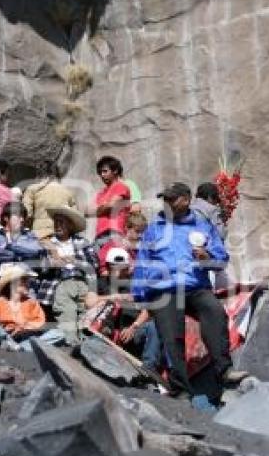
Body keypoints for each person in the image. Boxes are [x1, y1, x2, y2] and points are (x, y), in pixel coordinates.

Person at [131, 182, 244, 410]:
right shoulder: (154, 228)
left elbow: (221, 259)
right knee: (171, 335)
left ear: (186, 200)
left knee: (215, 312)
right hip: (165, 288)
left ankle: (224, 370)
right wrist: (141, 294)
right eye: (166, 199)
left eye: (173, 199)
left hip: (195, 285)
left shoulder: (202, 226)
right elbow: (143, 261)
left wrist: (206, 256)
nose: (168, 203)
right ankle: (181, 389)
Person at [84, 246, 162, 372]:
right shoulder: (101, 282)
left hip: (132, 331)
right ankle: (101, 338)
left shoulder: (135, 284)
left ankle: (149, 369)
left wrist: (134, 326)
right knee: (106, 304)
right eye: (115, 268)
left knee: (154, 326)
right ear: (109, 267)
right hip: (107, 329)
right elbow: (89, 301)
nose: (119, 272)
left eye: (122, 269)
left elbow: (147, 310)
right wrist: (115, 297)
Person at [34, 205, 97, 344]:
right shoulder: (48, 244)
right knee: (67, 312)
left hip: (82, 282)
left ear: (70, 224)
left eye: (61, 222)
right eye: (56, 222)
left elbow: (93, 266)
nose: (57, 225)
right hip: (60, 282)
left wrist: (76, 262)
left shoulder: (82, 243)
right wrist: (52, 263)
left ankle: (84, 345)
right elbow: (40, 267)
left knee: (84, 315)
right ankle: (71, 343)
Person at [0, 265, 64, 351]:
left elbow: (40, 323)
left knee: (58, 334)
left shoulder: (32, 302)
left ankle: (22, 347)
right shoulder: (0, 302)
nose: (28, 284)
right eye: (24, 281)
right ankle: (10, 342)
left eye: (27, 281)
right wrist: (5, 331)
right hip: (6, 335)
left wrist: (23, 328)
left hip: (26, 336)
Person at [0, 202, 45, 307]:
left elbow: (35, 251)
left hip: (24, 285)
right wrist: (19, 255)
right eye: (18, 216)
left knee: (30, 313)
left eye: (23, 217)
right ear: (6, 218)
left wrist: (9, 246)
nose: (22, 220)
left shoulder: (29, 235)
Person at [22, 166, 79, 240]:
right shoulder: (68, 192)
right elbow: (74, 218)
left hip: (40, 235)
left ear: (39, 175)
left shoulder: (32, 189)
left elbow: (27, 214)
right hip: (62, 236)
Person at [90, 156, 130, 248]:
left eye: (105, 171)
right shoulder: (101, 193)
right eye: (100, 172)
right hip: (100, 234)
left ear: (115, 171)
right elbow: (90, 211)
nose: (102, 175)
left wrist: (101, 208)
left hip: (115, 233)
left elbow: (111, 206)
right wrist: (104, 208)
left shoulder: (120, 186)